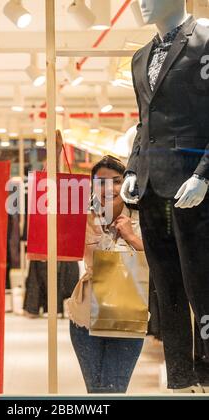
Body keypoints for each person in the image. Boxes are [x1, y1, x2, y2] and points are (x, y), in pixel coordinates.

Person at [121, 0, 209, 392]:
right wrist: (130, 169)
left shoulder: (205, 40)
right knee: (167, 287)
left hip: (196, 187)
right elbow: (145, 124)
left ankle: (207, 375)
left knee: (202, 286)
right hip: (152, 188)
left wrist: (204, 175)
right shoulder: (141, 57)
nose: (142, 2)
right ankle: (181, 377)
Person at [66, 150, 144, 394]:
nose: (108, 188)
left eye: (116, 181)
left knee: (115, 391)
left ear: (126, 183)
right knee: (95, 393)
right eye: (101, 182)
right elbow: (58, 235)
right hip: (84, 317)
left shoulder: (142, 219)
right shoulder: (84, 218)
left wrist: (131, 236)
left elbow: (160, 260)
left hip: (127, 317)